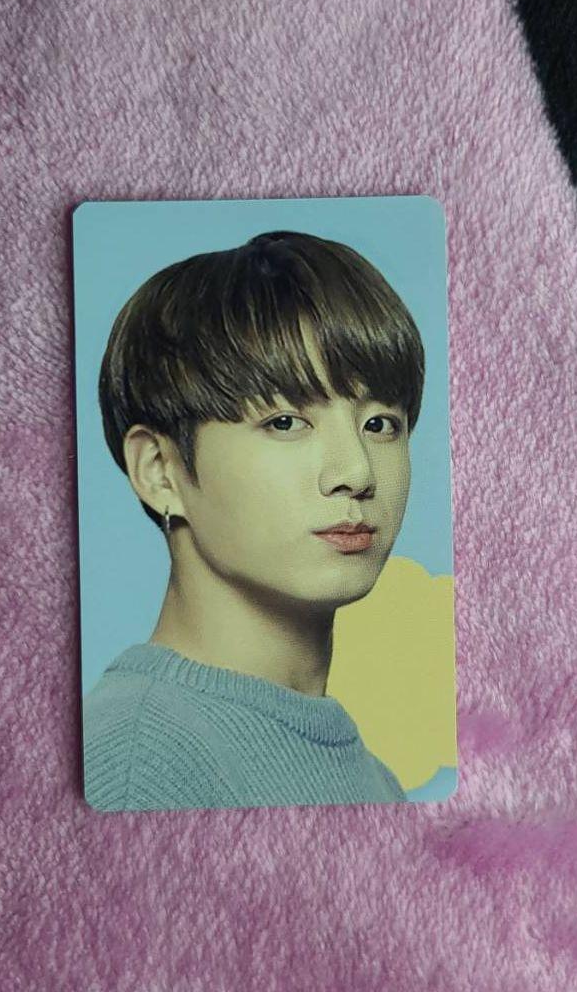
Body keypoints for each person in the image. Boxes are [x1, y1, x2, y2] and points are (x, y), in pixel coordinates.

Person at [83, 229, 425, 811]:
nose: (356, 472)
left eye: (379, 424)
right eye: (286, 422)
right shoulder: (139, 763)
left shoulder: (373, 777)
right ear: (160, 472)